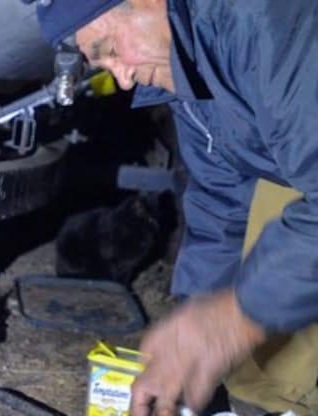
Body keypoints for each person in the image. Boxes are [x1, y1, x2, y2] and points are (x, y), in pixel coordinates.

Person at [36, 0, 318, 415]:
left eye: (112, 50)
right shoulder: (188, 68)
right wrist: (190, 330)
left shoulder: (270, 26)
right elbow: (221, 202)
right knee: (251, 361)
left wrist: (235, 316)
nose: (124, 79)